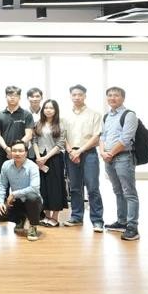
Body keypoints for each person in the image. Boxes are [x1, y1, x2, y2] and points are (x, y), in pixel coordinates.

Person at [100, 86, 140, 241]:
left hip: (123, 157)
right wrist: (103, 153)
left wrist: (110, 153)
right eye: (109, 95)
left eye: (116, 95)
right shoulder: (106, 117)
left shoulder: (129, 115)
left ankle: (132, 227)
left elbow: (126, 138)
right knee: (118, 191)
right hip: (108, 159)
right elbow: (102, 136)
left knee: (129, 192)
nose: (112, 98)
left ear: (123, 98)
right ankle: (122, 222)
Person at [62, 84, 104, 232]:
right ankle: (76, 217)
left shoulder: (95, 114)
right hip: (70, 154)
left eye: (80, 94)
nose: (77, 97)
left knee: (92, 188)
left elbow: (96, 136)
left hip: (89, 153)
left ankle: (97, 220)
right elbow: (63, 135)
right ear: (71, 96)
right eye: (74, 95)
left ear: (85, 96)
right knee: (74, 188)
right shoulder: (64, 115)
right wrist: (70, 151)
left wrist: (79, 151)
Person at [0, 140, 43, 242]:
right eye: (14, 151)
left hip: (32, 202)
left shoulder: (33, 166)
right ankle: (20, 219)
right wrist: (0, 202)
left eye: (20, 151)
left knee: (32, 197)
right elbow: (1, 185)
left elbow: (34, 188)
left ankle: (33, 226)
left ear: (26, 153)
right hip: (17, 201)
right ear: (11, 152)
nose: (17, 153)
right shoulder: (6, 165)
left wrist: (14, 193)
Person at [33, 99, 67, 228]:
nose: (48, 110)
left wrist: (45, 157)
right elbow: (34, 141)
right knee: (43, 188)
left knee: (55, 187)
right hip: (39, 158)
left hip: (54, 159)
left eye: (51, 108)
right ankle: (46, 215)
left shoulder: (60, 125)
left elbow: (60, 144)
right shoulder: (38, 124)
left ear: (56, 110)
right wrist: (38, 157)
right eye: (46, 107)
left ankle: (55, 217)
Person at [0, 85, 34, 172]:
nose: (12, 98)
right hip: (4, 153)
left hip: (21, 153)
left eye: (15, 95)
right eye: (10, 95)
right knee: (4, 181)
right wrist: (7, 149)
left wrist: (16, 150)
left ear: (19, 97)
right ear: (5, 96)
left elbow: (29, 135)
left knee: (22, 180)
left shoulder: (26, 114)